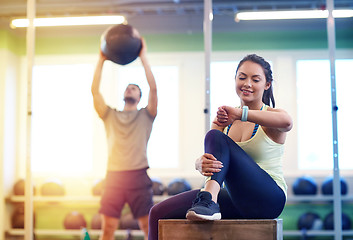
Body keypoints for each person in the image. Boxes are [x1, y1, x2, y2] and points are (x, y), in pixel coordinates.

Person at [148, 54, 293, 239]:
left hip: (269, 199)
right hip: (235, 200)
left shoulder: (270, 117)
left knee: (216, 136)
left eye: (255, 79)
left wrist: (241, 113)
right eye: (242, 77)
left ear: (267, 84)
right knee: (157, 212)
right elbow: (215, 163)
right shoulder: (225, 121)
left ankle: (208, 200)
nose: (247, 83)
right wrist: (200, 163)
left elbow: (287, 122)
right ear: (235, 80)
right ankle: (209, 201)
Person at [91, 38, 157, 240]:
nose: (130, 89)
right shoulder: (110, 114)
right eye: (128, 87)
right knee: (108, 229)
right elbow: (95, 91)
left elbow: (154, 89)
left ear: (140, 96)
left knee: (148, 228)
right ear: (123, 94)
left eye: (134, 88)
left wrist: (143, 57)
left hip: (138, 175)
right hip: (114, 177)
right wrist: (101, 60)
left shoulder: (147, 114)